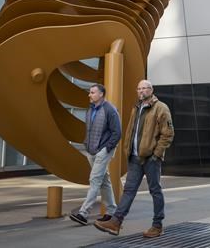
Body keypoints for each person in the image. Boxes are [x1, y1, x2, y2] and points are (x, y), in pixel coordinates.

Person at [94, 79, 174, 238]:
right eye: (139, 89)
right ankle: (116, 222)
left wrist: (156, 154)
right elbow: (131, 131)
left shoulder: (160, 108)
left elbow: (168, 134)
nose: (142, 91)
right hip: (135, 158)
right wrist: (127, 150)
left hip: (150, 158)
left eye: (145, 88)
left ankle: (157, 226)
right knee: (129, 191)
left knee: (155, 190)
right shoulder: (136, 108)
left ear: (151, 90)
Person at [69, 83, 121, 226]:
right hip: (91, 150)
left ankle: (83, 213)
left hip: (103, 150)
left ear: (101, 94)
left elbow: (117, 132)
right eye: (90, 92)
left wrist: (107, 148)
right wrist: (86, 145)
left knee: (95, 179)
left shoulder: (110, 110)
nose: (89, 95)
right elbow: (89, 130)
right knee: (104, 181)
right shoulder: (90, 110)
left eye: (92, 92)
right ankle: (112, 212)